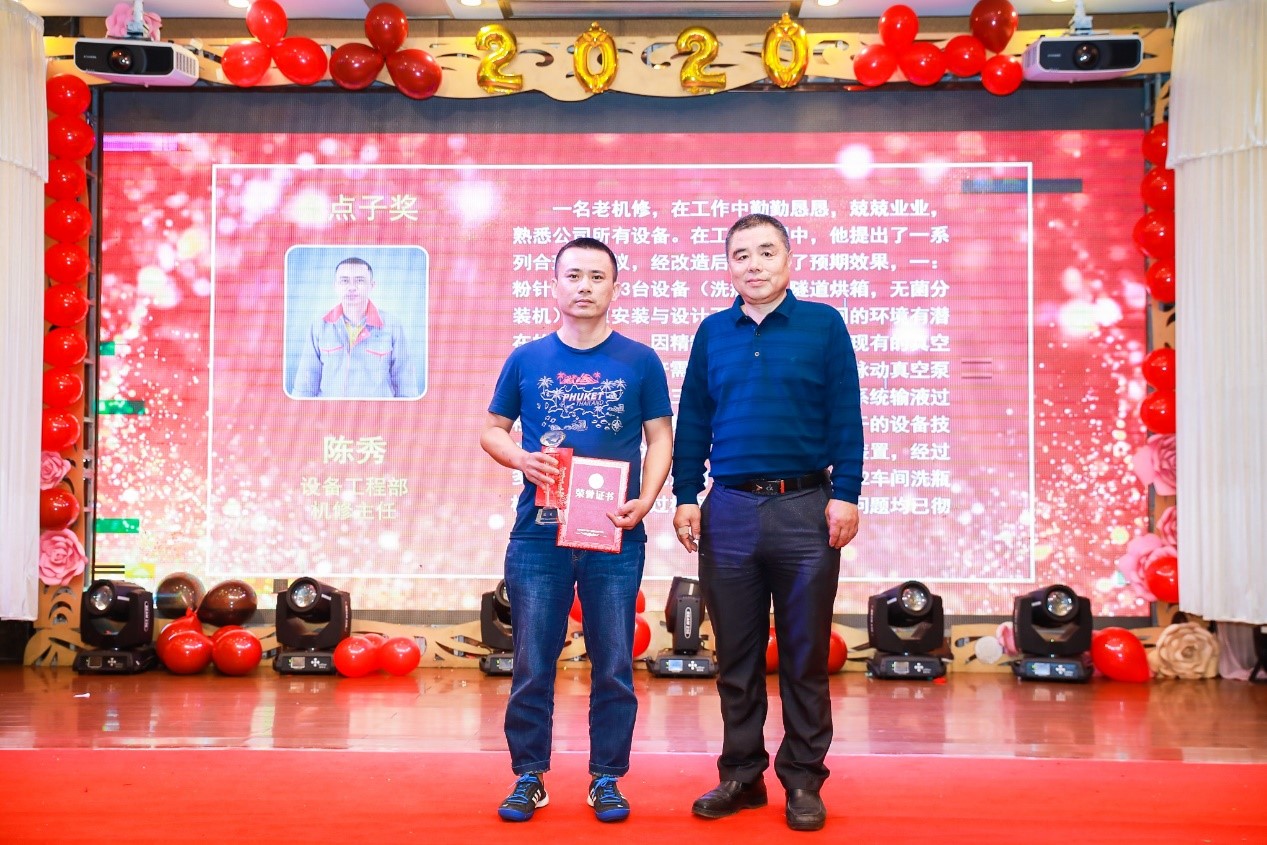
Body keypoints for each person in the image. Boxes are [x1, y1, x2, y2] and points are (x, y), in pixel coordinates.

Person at [671, 213, 863, 832]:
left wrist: (847, 493)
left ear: (788, 259)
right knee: (737, 656)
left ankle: (803, 780)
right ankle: (741, 775)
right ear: (729, 266)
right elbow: (693, 420)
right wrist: (686, 494)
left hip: (806, 508)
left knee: (804, 655)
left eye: (765, 252)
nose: (753, 265)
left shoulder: (823, 324)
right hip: (728, 509)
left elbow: (846, 415)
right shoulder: (712, 332)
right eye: (741, 255)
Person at [481, 237, 673, 824]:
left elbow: (660, 438)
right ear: (555, 285)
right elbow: (492, 429)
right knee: (532, 662)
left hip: (613, 533)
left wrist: (646, 500)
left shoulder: (640, 361)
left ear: (614, 287)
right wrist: (521, 459)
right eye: (573, 275)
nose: (584, 286)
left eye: (597, 276)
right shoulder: (527, 358)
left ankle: (606, 778)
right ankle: (529, 775)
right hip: (538, 534)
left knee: (613, 663)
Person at [292, 256, 417, 398]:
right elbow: (306, 382)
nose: (351, 287)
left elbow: (406, 382)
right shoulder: (319, 326)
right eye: (344, 281)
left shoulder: (392, 326)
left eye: (359, 280)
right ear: (335, 286)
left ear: (372, 285)